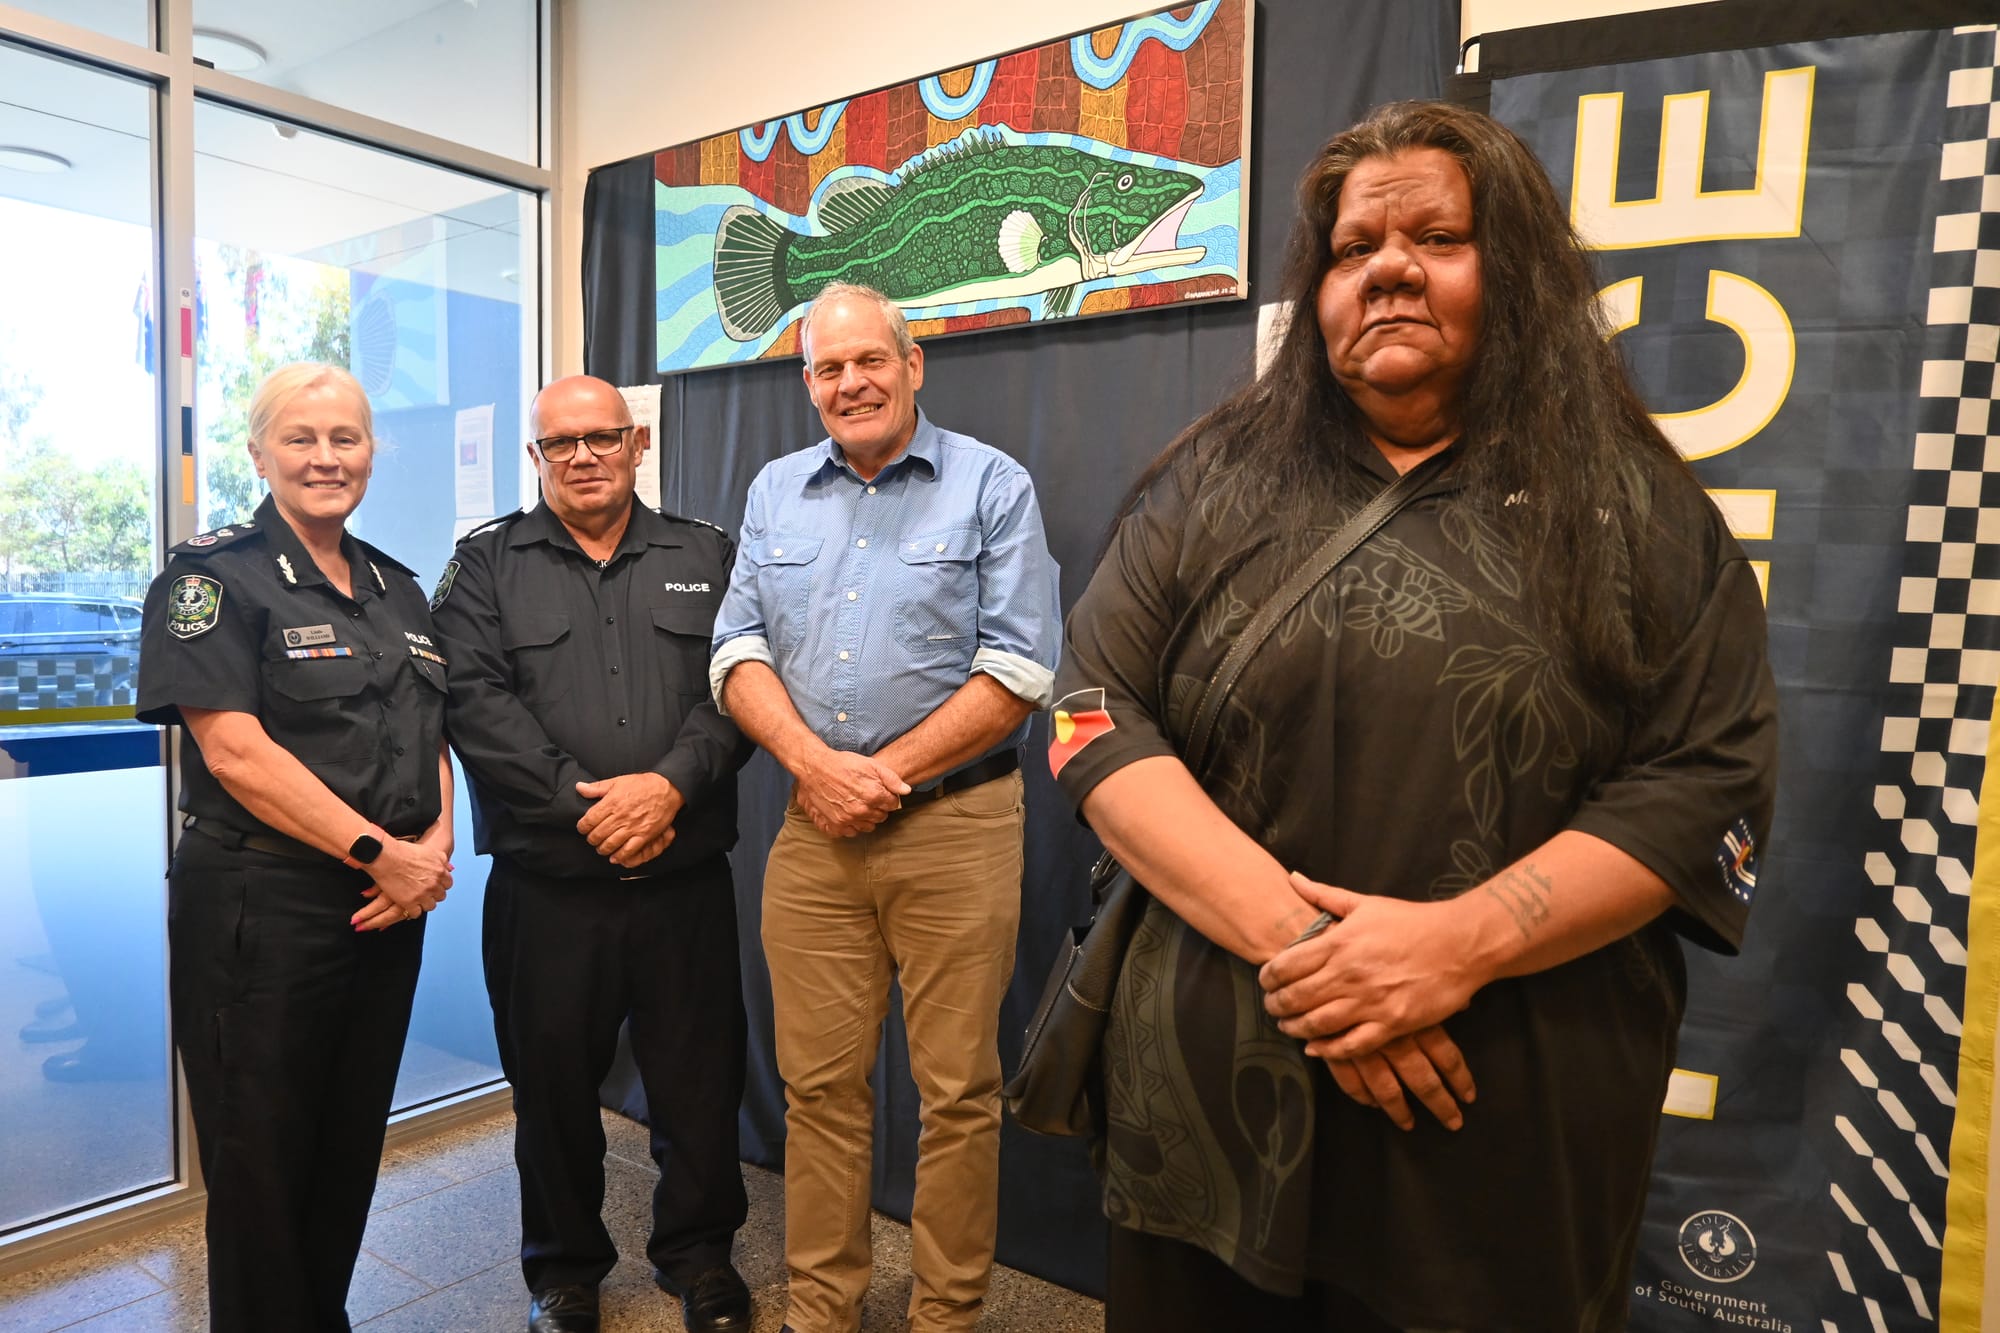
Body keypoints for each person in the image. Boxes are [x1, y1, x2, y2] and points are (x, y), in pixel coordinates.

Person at [1049, 101, 1780, 1332]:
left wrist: (1457, 946)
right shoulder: (1211, 483)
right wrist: (1318, 958)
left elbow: (1701, 780)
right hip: (1210, 1106)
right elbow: (1086, 712)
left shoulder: (1641, 512)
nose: (1386, 267)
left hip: (1494, 1113)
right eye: (1351, 250)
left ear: (1521, 271)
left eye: (1436, 237)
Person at [709, 282, 1061, 1333]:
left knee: (957, 1094)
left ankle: (946, 1313)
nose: (850, 382)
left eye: (870, 360)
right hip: (812, 835)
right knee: (818, 1089)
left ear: (913, 366)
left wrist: (880, 774)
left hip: (955, 828)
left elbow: (1018, 666)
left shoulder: (991, 485)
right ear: (805, 379)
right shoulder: (776, 491)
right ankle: (823, 1305)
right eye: (828, 367)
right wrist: (816, 767)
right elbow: (735, 650)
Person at [429, 374, 754, 1333]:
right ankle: (564, 1269)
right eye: (559, 443)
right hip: (549, 888)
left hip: (682, 877)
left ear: (636, 442)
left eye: (601, 438)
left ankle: (700, 1258)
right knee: (552, 1089)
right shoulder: (485, 564)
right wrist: (590, 806)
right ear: (536, 457)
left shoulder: (707, 552)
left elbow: (739, 685)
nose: (582, 456)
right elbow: (474, 704)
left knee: (699, 1082)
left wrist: (671, 788)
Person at [135, 362, 455, 1332]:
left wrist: (432, 848)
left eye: (345, 438)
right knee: (261, 1162)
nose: (326, 457)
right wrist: (380, 852)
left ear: (371, 451)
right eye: (302, 438)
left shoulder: (395, 586)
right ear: (260, 451)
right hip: (262, 910)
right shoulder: (210, 578)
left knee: (347, 1142)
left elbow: (428, 733)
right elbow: (233, 751)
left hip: (384, 907)